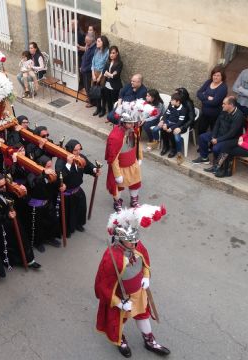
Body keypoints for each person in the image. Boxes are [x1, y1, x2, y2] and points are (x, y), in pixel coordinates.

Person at [95, 205, 170, 358]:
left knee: (142, 315)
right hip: (122, 297)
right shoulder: (111, 258)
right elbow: (103, 285)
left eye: (136, 241)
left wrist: (146, 277)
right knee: (118, 322)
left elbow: (145, 263)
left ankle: (149, 341)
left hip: (138, 292)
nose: (135, 245)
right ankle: (120, 340)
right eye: (131, 242)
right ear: (121, 239)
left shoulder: (137, 245)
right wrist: (118, 302)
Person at [0, 174, 40, 269]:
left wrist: (24, 192)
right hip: (5, 227)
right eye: (1, 186)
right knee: (12, 245)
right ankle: (17, 261)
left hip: (16, 222)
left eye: (5, 185)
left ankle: (29, 260)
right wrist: (6, 216)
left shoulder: (9, 191)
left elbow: (22, 202)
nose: (4, 187)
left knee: (23, 240)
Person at [55, 140, 98, 236]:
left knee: (80, 209)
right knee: (67, 214)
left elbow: (88, 166)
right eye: (75, 150)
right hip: (66, 194)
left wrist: (95, 170)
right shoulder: (61, 160)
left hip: (77, 190)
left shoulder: (81, 157)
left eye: (79, 150)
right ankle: (67, 230)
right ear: (70, 150)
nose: (78, 152)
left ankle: (78, 224)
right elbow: (59, 176)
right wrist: (69, 164)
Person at [213, 108, 248, 178]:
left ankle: (226, 171)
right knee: (226, 145)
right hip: (246, 143)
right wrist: (242, 137)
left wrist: (242, 144)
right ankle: (218, 166)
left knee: (229, 150)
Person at [105, 112, 143, 212]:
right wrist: (117, 175)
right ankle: (117, 202)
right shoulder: (115, 137)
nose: (132, 125)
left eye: (133, 123)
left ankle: (134, 200)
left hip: (133, 163)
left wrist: (139, 157)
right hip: (120, 167)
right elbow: (113, 158)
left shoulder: (133, 130)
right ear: (123, 122)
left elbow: (137, 144)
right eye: (129, 123)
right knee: (118, 186)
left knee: (135, 183)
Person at [25, 155, 63, 252]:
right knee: (38, 225)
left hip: (48, 202)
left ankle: (50, 237)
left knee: (52, 220)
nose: (50, 169)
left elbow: (57, 185)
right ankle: (38, 242)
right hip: (36, 206)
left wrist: (61, 185)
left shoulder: (52, 174)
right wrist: (43, 174)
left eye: (51, 166)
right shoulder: (32, 174)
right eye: (48, 167)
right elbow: (33, 185)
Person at [194, 96, 244, 170]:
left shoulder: (238, 116)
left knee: (216, 148)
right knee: (202, 137)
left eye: (224, 104)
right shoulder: (223, 110)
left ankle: (217, 166)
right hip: (220, 133)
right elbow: (217, 124)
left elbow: (232, 133)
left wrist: (218, 140)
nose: (222, 105)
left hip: (231, 138)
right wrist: (214, 136)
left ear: (231, 105)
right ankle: (204, 158)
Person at [196, 65, 228, 134]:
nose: (215, 77)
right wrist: (207, 97)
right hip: (204, 113)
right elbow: (198, 93)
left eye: (218, 75)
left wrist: (203, 98)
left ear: (222, 76)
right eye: (214, 75)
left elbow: (214, 102)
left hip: (215, 115)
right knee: (201, 130)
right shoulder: (209, 82)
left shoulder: (223, 88)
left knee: (213, 133)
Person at [158, 93, 188, 162]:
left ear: (178, 101)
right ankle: (166, 146)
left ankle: (173, 149)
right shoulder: (171, 106)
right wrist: (164, 123)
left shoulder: (183, 110)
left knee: (171, 133)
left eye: (172, 100)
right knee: (163, 129)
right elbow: (166, 115)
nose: (170, 101)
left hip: (176, 125)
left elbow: (180, 122)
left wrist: (171, 128)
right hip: (169, 122)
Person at [101, 46, 123, 118]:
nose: (111, 55)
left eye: (113, 53)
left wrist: (109, 74)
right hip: (107, 84)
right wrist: (110, 74)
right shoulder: (108, 62)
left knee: (115, 102)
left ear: (117, 53)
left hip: (115, 85)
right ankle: (110, 116)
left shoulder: (119, 63)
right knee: (109, 101)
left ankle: (115, 116)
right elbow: (104, 71)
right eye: (110, 53)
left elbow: (115, 76)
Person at [91, 35, 110, 116]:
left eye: (99, 41)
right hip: (94, 72)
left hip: (102, 74)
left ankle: (103, 109)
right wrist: (93, 74)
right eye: (97, 41)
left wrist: (99, 76)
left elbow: (105, 65)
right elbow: (93, 63)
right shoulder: (96, 50)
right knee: (96, 91)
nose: (97, 43)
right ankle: (98, 108)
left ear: (103, 42)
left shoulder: (107, 52)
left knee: (102, 92)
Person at [80, 33, 96, 108]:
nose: (85, 42)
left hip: (88, 72)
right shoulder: (88, 46)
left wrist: (84, 69)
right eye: (85, 41)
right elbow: (85, 57)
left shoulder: (94, 49)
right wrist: (81, 66)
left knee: (88, 87)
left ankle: (91, 101)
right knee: (86, 87)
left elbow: (92, 63)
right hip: (84, 70)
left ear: (92, 41)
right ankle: (89, 98)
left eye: (87, 41)